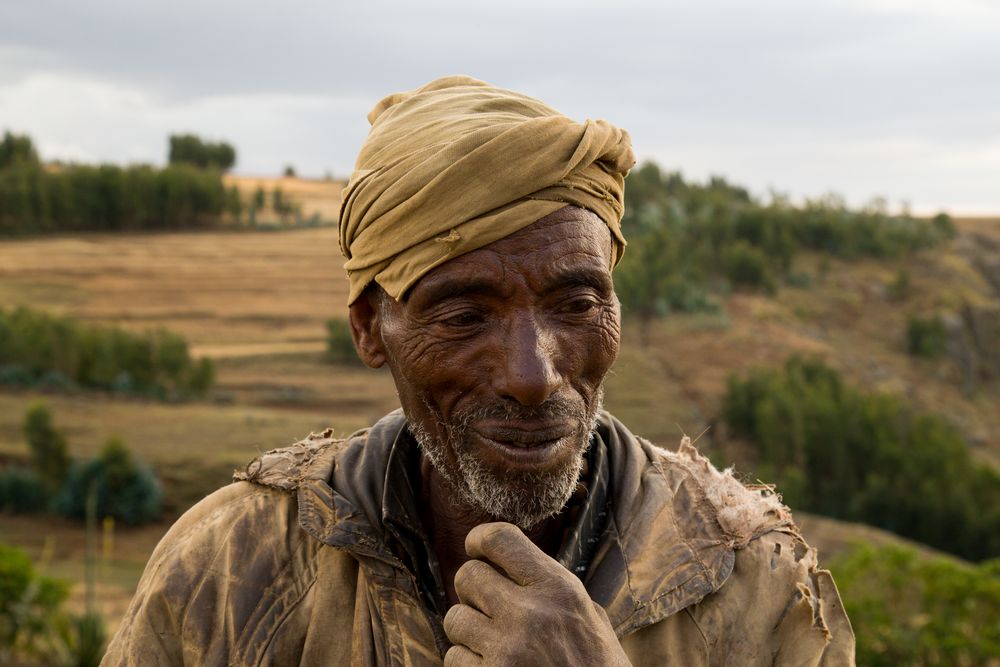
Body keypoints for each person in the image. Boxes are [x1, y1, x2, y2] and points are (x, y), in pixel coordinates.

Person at [102, 76, 854, 666]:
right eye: (464, 316)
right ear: (371, 326)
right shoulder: (233, 566)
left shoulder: (754, 581)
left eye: (577, 303)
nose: (533, 375)